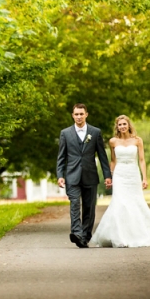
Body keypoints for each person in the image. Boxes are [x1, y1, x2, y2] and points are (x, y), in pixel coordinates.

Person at [90, 115, 150, 248]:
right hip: (119, 175)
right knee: (120, 203)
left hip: (133, 174)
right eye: (120, 125)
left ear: (129, 125)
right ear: (117, 127)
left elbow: (142, 160)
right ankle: (120, 237)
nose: (122, 127)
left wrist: (144, 178)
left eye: (124, 124)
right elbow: (113, 160)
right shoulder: (113, 141)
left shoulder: (137, 141)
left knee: (136, 202)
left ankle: (139, 235)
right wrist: (109, 177)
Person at [56, 103, 112, 248]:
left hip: (90, 175)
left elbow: (102, 155)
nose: (79, 117)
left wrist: (107, 175)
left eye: (81, 114)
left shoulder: (95, 132)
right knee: (74, 204)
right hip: (72, 176)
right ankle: (76, 233)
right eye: (76, 114)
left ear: (86, 114)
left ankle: (85, 236)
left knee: (89, 207)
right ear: (72, 115)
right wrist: (60, 175)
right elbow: (61, 157)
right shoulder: (65, 133)